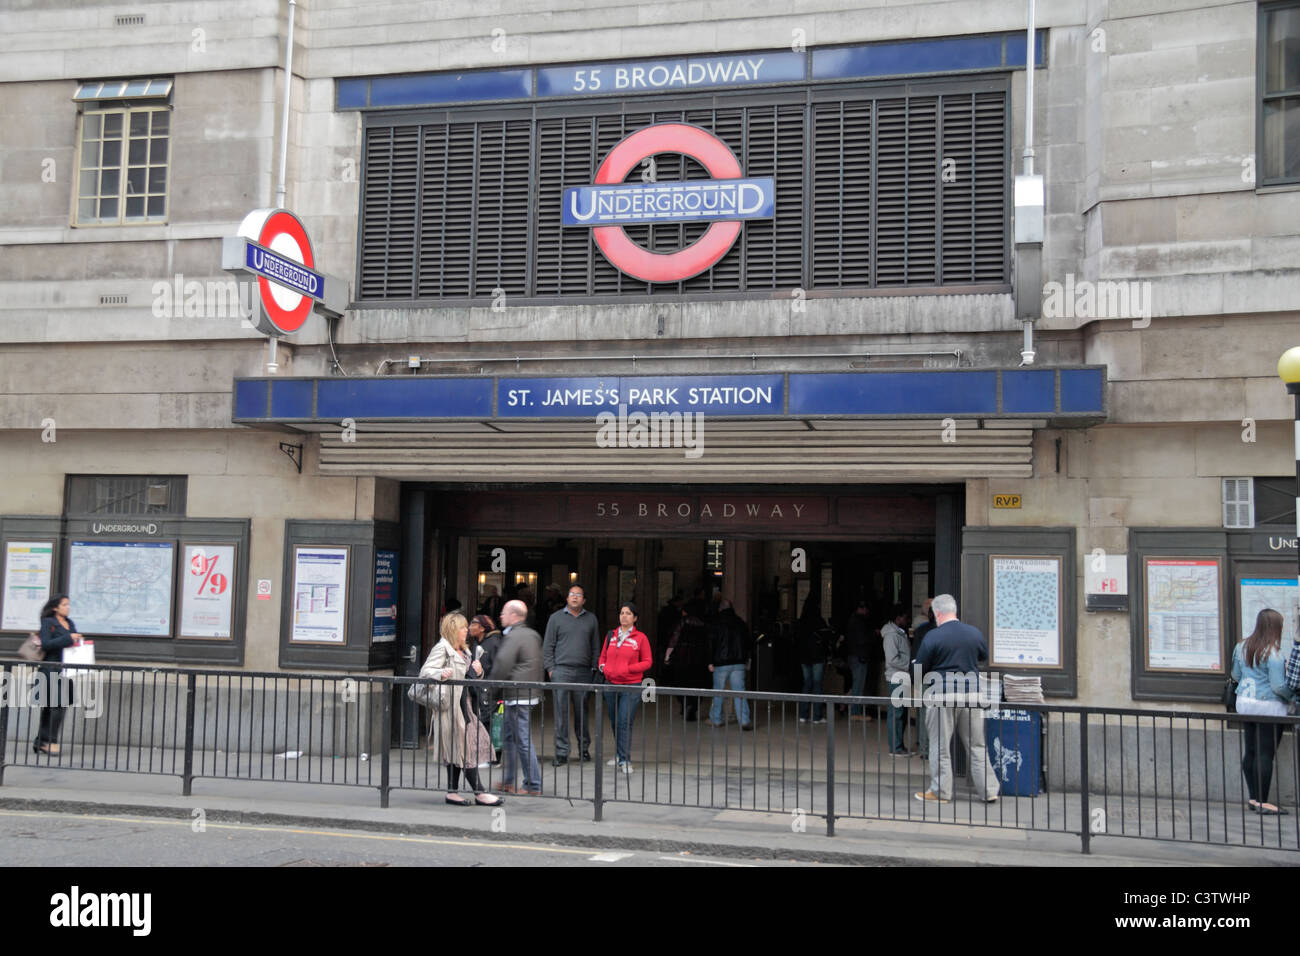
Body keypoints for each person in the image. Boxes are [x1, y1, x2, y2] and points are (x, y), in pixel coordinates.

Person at [913, 594, 1000, 805]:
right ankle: (989, 791)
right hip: (972, 694)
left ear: (936, 613)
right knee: (977, 745)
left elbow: (920, 668)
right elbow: (983, 656)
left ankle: (941, 792)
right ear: (955, 611)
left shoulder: (933, 636)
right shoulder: (973, 633)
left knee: (940, 746)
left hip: (943, 694)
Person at [419, 612, 502, 807]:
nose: (466, 630)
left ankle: (452, 792)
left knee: (460, 748)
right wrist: (440, 673)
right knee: (464, 748)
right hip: (450, 708)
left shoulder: (464, 650)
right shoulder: (442, 648)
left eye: (467, 627)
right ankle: (480, 793)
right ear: (453, 629)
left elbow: (470, 678)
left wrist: (479, 672)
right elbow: (425, 672)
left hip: (466, 706)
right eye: (463, 627)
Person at [1232, 608, 1294, 815]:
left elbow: (1235, 674)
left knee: (1250, 751)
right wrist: (1292, 697)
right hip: (1268, 706)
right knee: (1265, 753)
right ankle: (1262, 801)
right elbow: (1278, 687)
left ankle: (1253, 797)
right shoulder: (1273, 654)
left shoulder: (1241, 647)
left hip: (1245, 703)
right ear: (1275, 628)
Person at [488, 599, 544, 795]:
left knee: (521, 738)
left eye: (504, 613)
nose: (501, 616)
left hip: (517, 694)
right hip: (527, 693)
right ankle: (508, 780)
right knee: (510, 737)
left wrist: (491, 689)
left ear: (514, 616)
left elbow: (502, 664)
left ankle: (533, 783)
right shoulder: (532, 634)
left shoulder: (514, 637)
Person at [542, 584, 600, 765]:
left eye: (579, 595)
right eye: (572, 594)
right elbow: (548, 646)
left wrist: (594, 669)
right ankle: (561, 752)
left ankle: (584, 749)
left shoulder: (591, 619)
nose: (575, 597)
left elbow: (595, 647)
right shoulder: (555, 618)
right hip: (561, 670)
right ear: (567, 598)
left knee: (582, 713)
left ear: (584, 600)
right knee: (561, 714)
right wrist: (551, 669)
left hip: (583, 672)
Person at [598, 602, 653, 773]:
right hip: (611, 684)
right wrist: (604, 668)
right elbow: (602, 657)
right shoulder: (611, 635)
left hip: (631, 685)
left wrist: (628, 669)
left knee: (624, 721)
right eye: (622, 613)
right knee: (615, 721)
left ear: (635, 618)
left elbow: (647, 662)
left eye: (628, 613)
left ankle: (625, 759)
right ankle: (619, 754)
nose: (624, 616)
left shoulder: (641, 638)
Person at [33, 594, 83, 756]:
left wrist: (77, 640)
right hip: (50, 668)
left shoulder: (70, 623)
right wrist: (68, 638)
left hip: (66, 670)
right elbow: (46, 644)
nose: (68, 607)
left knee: (56, 705)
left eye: (68, 604)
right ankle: (51, 741)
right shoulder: (48, 623)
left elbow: (71, 643)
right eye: (64, 605)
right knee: (55, 706)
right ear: (55, 607)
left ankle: (41, 741)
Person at [707, 598, 753, 730]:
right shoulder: (741, 623)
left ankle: (716, 720)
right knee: (740, 692)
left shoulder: (716, 623)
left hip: (721, 663)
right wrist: (747, 659)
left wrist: (710, 661)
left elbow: (711, 643)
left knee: (718, 692)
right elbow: (748, 643)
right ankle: (744, 721)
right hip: (739, 663)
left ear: (720, 609)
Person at [665, 596, 709, 720]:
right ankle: (693, 707)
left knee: (681, 683)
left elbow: (674, 640)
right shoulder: (703, 624)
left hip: (682, 658)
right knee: (697, 685)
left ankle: (685, 704)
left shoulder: (682, 623)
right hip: (699, 660)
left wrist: (668, 656)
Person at [795, 596, 834, 723]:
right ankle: (817, 716)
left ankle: (803, 715)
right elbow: (826, 638)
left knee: (806, 684)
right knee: (817, 685)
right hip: (817, 656)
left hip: (804, 657)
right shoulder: (819, 621)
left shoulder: (801, 621)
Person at [881, 603, 913, 754]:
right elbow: (892, 659)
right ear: (898, 618)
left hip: (901, 676)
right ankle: (896, 747)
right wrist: (910, 665)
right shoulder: (892, 635)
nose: (908, 620)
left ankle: (898, 744)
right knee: (896, 712)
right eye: (906, 617)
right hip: (897, 677)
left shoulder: (899, 633)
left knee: (901, 712)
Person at [910, 600, 936, 757]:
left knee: (923, 713)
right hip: (942, 678)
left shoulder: (921, 631)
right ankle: (935, 748)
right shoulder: (944, 631)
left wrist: (915, 678)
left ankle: (924, 748)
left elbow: (915, 657)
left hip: (924, 677)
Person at [468, 614, 504, 728]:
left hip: (489, 694)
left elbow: (498, 669)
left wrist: (489, 690)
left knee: (487, 725)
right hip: (477, 693)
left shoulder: (494, 643)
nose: (469, 627)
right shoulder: (477, 643)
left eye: (473, 624)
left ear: (482, 628)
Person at [843, 601, 873, 721]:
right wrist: (872, 635)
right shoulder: (859, 622)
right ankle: (855, 712)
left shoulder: (851, 620)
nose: (867, 612)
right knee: (858, 686)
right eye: (865, 609)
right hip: (859, 657)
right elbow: (862, 639)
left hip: (853, 656)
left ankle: (849, 707)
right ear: (861, 609)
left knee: (856, 684)